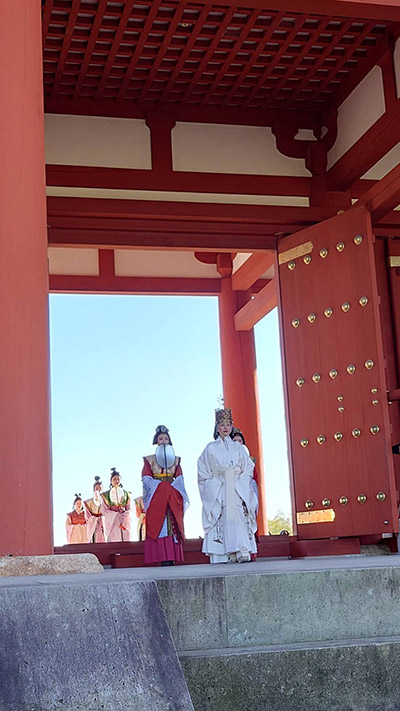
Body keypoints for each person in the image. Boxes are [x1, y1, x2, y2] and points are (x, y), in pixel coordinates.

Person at [198, 408, 258, 563]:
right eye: (222, 424)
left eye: (228, 424)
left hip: (237, 486)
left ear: (232, 426)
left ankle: (241, 550)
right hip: (220, 487)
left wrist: (240, 481)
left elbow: (248, 467)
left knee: (238, 515)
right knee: (222, 515)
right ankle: (222, 553)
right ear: (217, 427)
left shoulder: (239, 448)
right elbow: (203, 472)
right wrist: (216, 481)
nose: (225, 427)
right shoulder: (210, 448)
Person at [142, 425, 189, 565]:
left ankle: (172, 556)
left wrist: (172, 489)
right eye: (161, 439)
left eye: (166, 439)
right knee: (159, 523)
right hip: (157, 495)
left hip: (172, 496)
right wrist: (162, 487)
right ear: (156, 441)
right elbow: (146, 479)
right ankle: (161, 557)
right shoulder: (149, 460)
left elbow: (180, 479)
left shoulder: (176, 460)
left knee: (172, 522)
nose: (163, 441)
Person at [101, 468, 131, 542]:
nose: (117, 481)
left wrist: (124, 519)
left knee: (125, 539)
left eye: (118, 479)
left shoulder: (126, 494)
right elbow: (104, 510)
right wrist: (114, 514)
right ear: (111, 481)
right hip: (112, 521)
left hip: (123, 519)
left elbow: (129, 509)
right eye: (114, 479)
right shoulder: (105, 495)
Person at [84, 475, 105, 543]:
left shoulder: (106, 501)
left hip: (103, 525)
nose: (98, 490)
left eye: (100, 489)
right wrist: (95, 519)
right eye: (96, 488)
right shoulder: (89, 502)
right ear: (94, 490)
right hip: (93, 526)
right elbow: (87, 516)